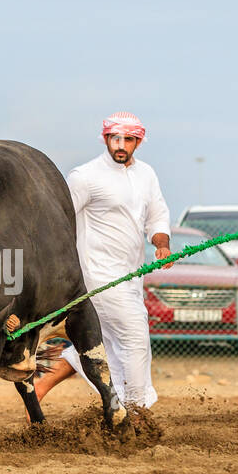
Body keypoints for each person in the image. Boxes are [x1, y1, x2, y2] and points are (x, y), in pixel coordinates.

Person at [61, 111, 172, 408]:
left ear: (139, 141)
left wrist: (162, 244)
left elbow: (157, 215)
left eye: (129, 140)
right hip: (98, 274)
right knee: (135, 338)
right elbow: (60, 222)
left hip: (132, 275)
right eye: (115, 138)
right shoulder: (84, 177)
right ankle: (135, 410)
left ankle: (117, 407)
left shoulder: (147, 174)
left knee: (111, 345)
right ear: (106, 139)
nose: (121, 145)